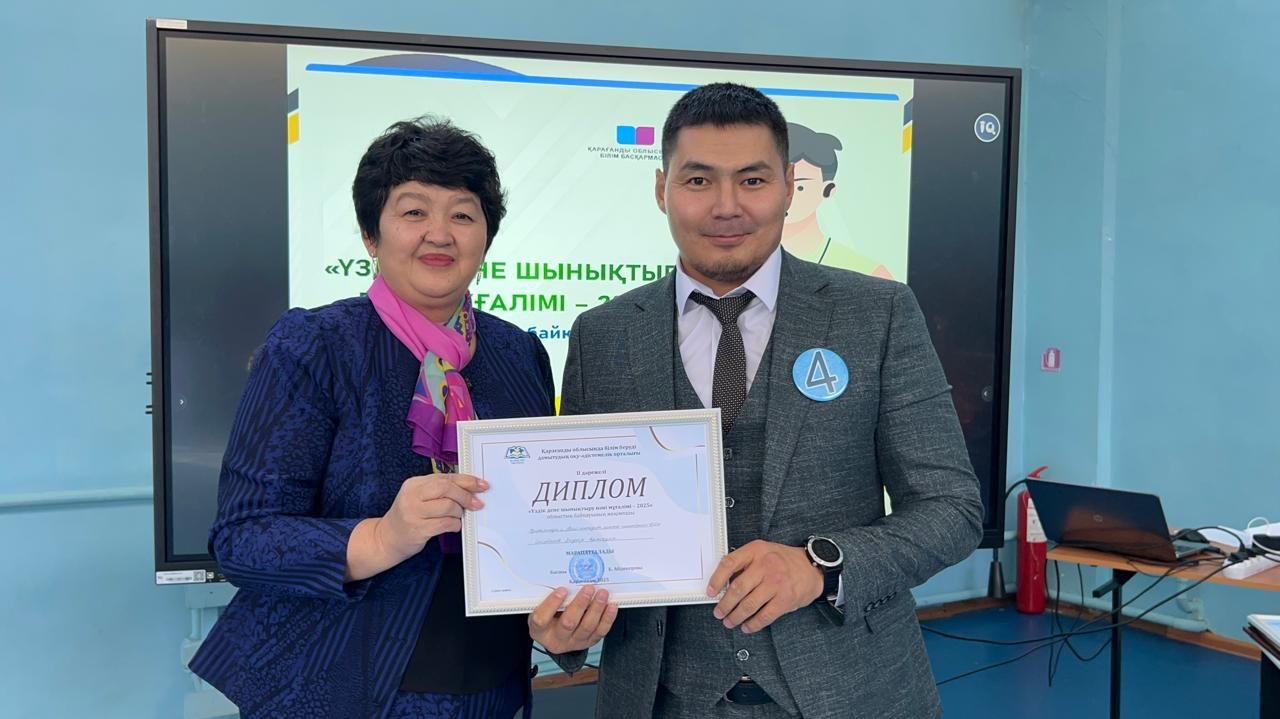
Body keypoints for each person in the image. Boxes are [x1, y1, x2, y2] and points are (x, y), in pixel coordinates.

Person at [528, 83, 983, 718]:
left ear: (789, 187)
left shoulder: (876, 313)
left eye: (752, 180)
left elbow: (952, 509)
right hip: (662, 700)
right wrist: (563, 630)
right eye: (698, 181)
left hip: (853, 694)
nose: (726, 206)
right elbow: (583, 526)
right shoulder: (603, 336)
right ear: (661, 189)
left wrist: (821, 567)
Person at [189, 118, 554, 719]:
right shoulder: (313, 346)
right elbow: (243, 539)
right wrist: (383, 536)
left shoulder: (518, 354)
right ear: (369, 234)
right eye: (414, 212)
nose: (440, 233)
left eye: (463, 214)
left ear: (486, 235)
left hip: (492, 690)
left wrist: (561, 620)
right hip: (338, 686)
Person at [781, 121, 894, 279]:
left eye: (799, 187)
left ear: (828, 189)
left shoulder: (869, 273)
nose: (784, 196)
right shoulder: (747, 263)